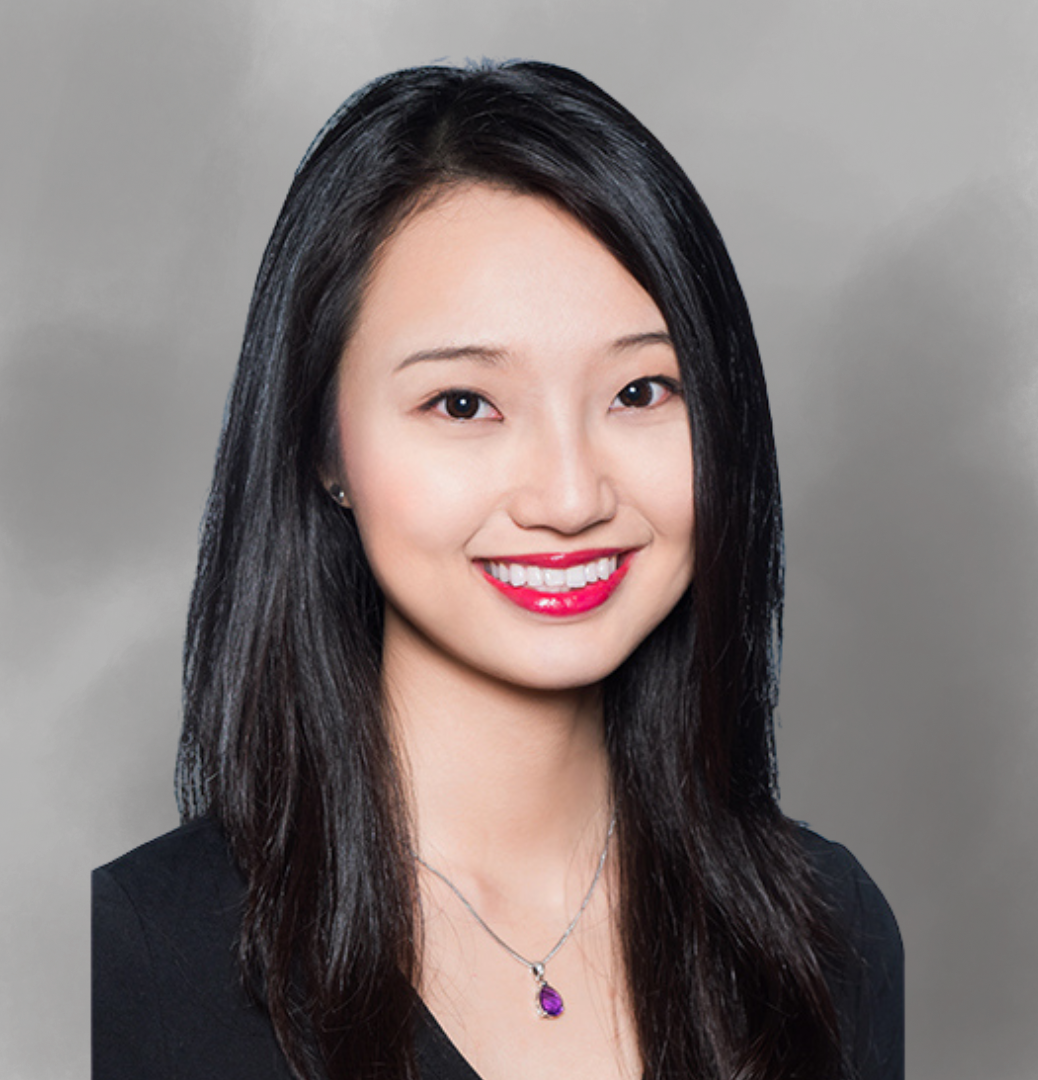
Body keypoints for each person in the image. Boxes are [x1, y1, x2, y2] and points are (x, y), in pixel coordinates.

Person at [92, 61, 903, 1080]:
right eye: (465, 404)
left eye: (643, 390)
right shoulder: (135, 962)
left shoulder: (830, 934)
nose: (569, 498)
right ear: (326, 445)